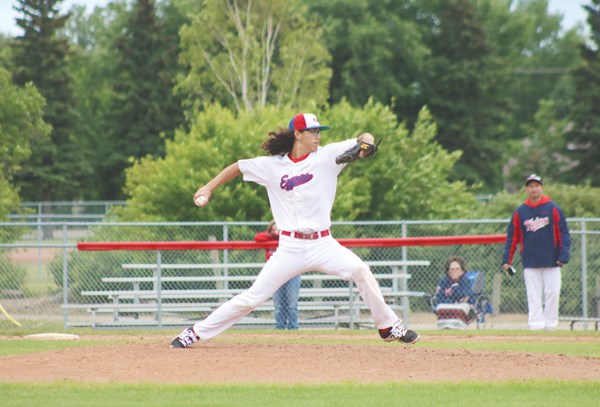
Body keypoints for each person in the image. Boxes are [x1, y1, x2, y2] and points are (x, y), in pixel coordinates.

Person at [170, 112, 420, 348]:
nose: (318, 136)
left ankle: (387, 327)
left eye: (319, 131)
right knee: (252, 297)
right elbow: (238, 166)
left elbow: (364, 137)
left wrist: (366, 145)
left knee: (360, 270)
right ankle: (195, 332)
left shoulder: (328, 155)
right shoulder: (272, 166)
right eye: (312, 131)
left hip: (323, 243)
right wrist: (208, 187)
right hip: (289, 247)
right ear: (297, 134)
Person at [502, 174, 571, 330]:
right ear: (526, 189)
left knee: (552, 293)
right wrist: (507, 260)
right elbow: (513, 238)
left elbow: (564, 234)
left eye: (536, 185)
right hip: (530, 260)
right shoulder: (520, 212)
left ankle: (551, 324)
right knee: (533, 295)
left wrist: (563, 256)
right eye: (531, 186)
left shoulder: (552, 208)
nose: (534, 188)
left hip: (552, 259)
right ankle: (536, 325)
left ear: (542, 188)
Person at [254, 220, 301, 330]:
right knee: (279, 305)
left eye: (279, 229)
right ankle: (280, 328)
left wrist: (282, 235)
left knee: (292, 305)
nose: (277, 232)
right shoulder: (269, 238)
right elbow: (258, 237)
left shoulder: (289, 240)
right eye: (274, 229)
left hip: (292, 273)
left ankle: (293, 328)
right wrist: (273, 235)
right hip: (275, 274)